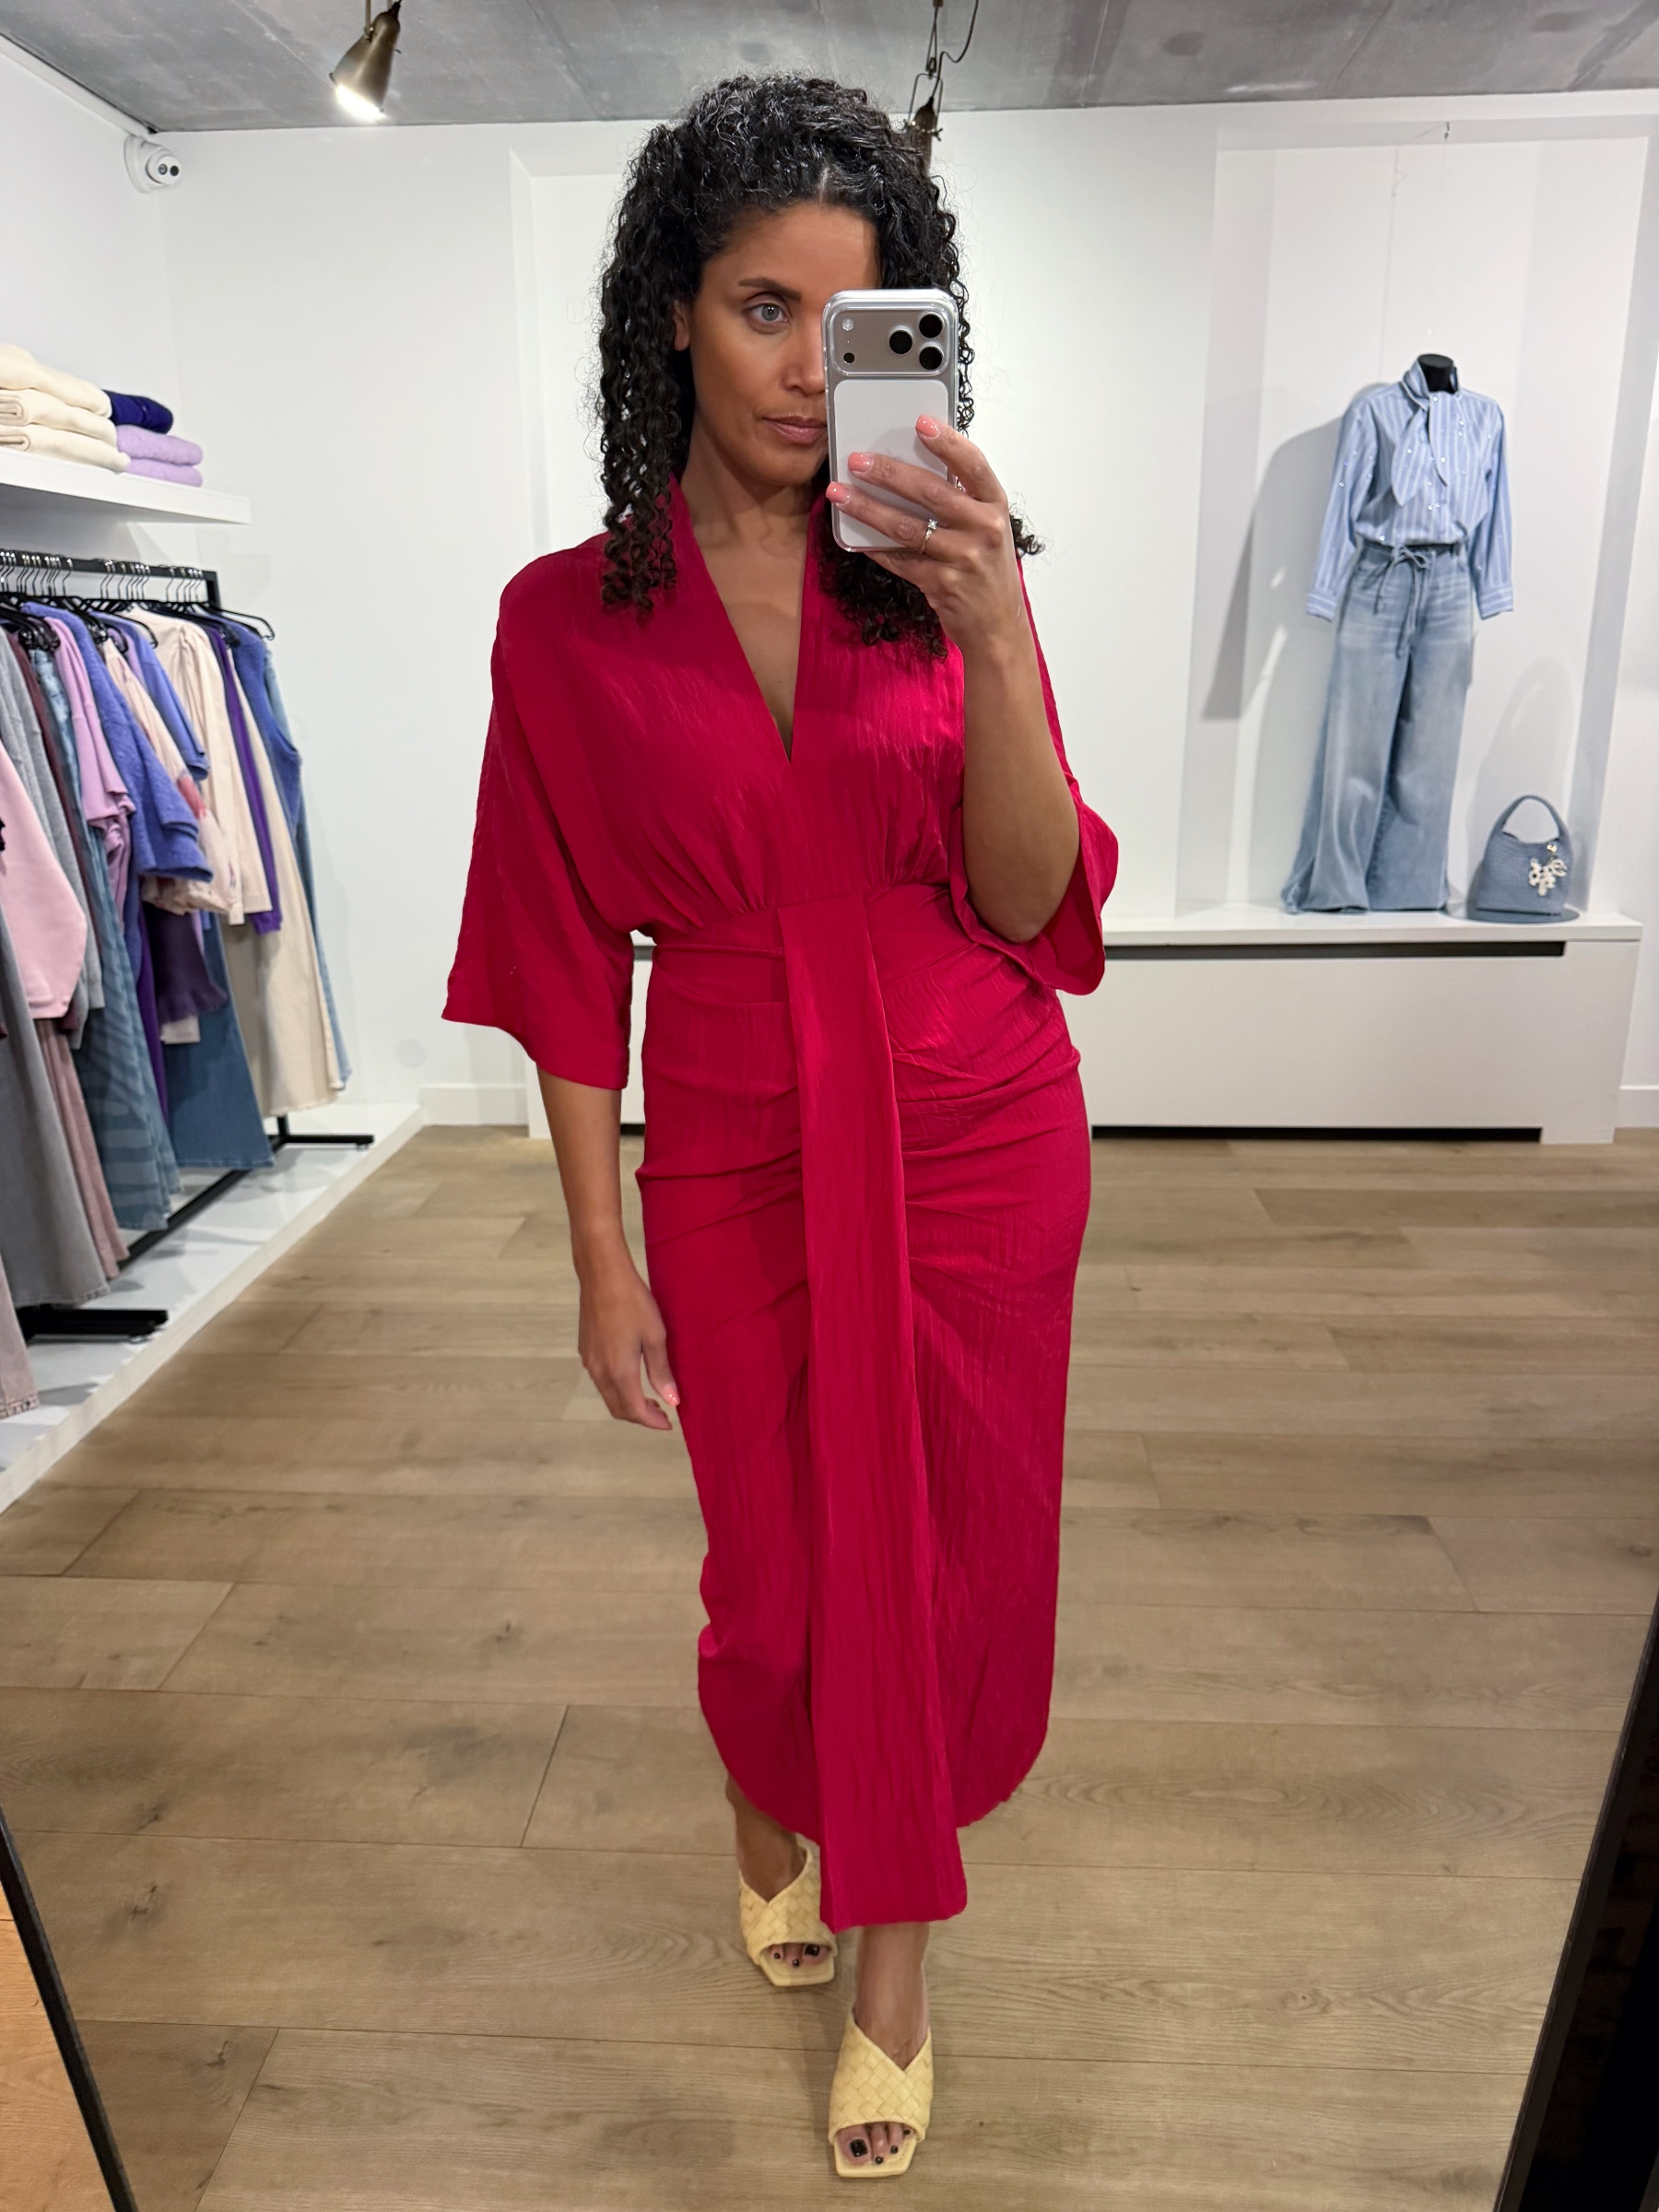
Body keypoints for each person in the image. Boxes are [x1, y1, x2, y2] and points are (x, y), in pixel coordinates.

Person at [445, 73, 1117, 2181]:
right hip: (737, 1122)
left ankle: (895, 1970)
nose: (813, 374)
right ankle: (770, 1795)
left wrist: (995, 630)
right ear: (669, 308)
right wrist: (596, 1253)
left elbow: (1032, 892)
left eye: (855, 325)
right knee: (777, 1571)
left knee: (951, 1551)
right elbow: (558, 950)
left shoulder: (941, 576)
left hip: (975, 1111)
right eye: (763, 310)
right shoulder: (563, 620)